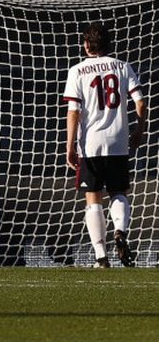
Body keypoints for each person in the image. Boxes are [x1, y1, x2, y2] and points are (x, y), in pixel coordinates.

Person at [63, 23, 146, 268]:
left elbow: (73, 111)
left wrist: (69, 146)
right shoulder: (122, 67)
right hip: (119, 140)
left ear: (87, 44)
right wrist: (139, 129)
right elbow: (140, 102)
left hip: (91, 143)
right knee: (119, 191)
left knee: (93, 196)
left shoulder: (77, 70)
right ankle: (120, 230)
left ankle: (101, 257)